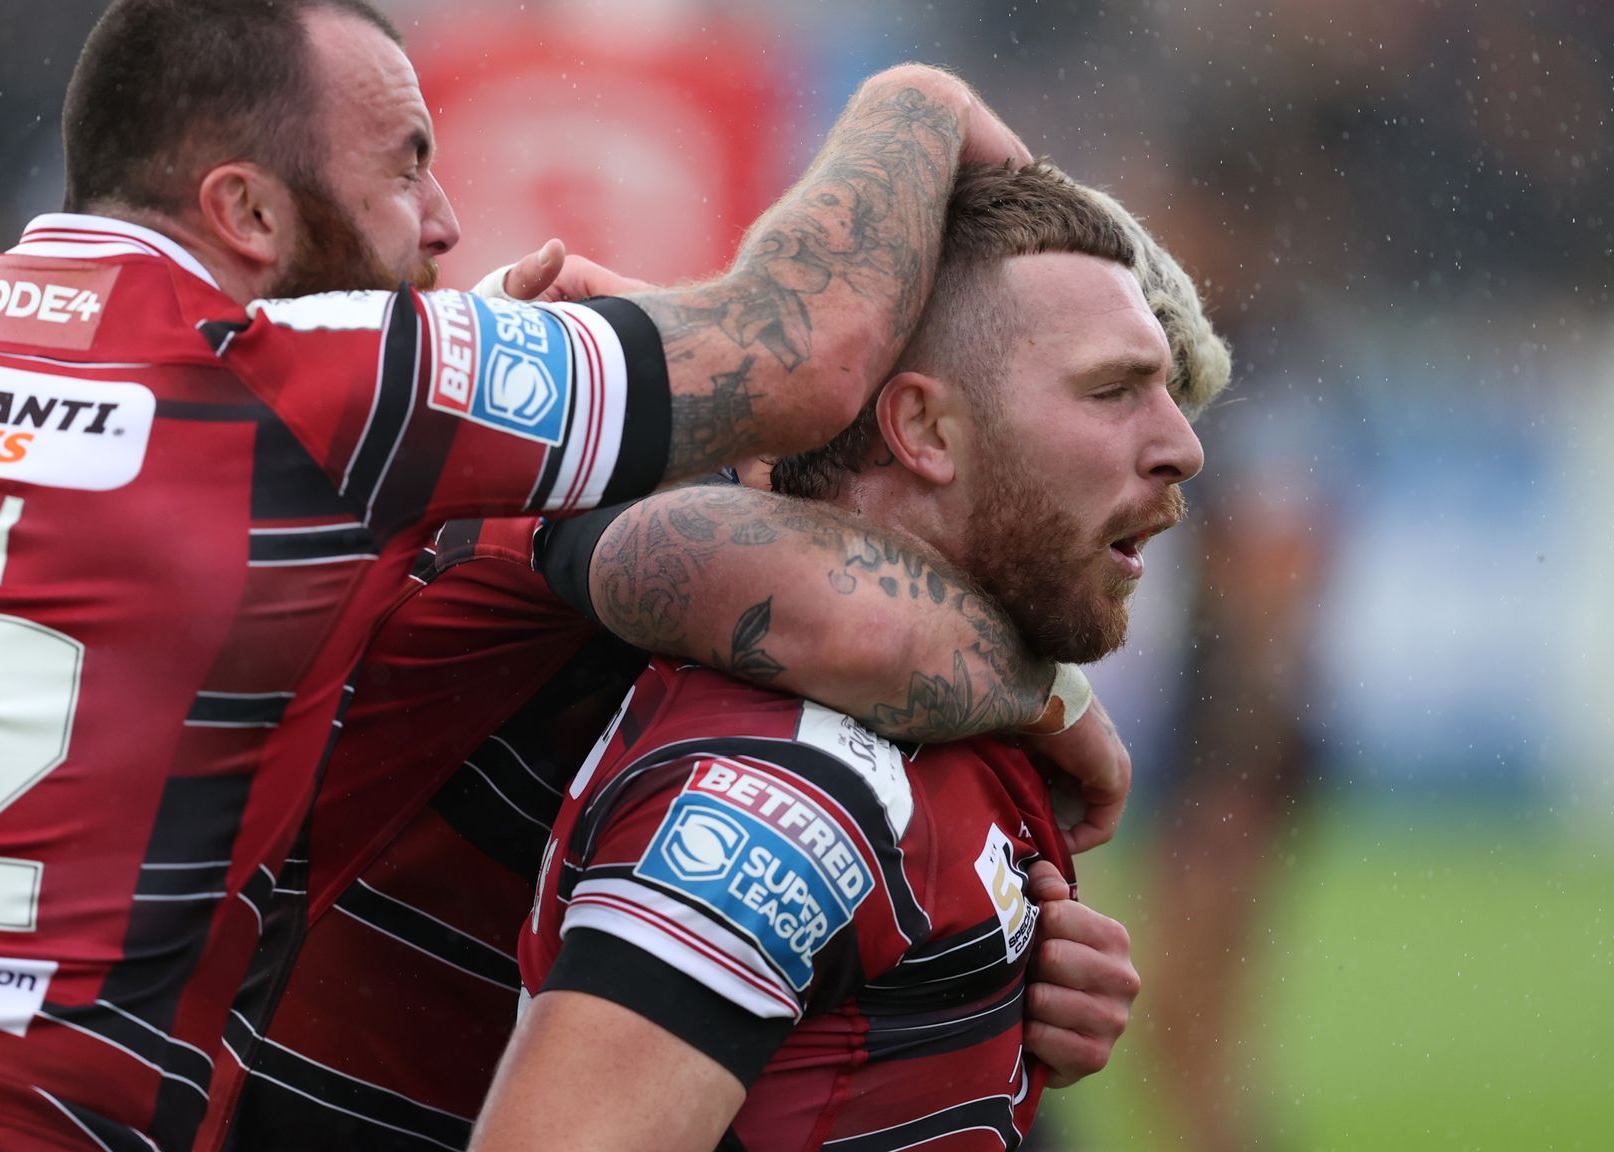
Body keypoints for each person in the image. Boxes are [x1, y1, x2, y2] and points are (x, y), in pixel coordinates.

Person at [0, 1, 1010, 1149]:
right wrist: (924, 108)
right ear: (248, 215)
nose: (448, 225)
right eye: (405, 169)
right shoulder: (299, 382)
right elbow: (801, 354)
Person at [229, 171, 1234, 1147]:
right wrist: (1058, 709)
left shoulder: (929, 703)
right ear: (924, 422)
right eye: (1111, 391)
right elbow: (852, 628)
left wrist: (998, 989)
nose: (1177, 448)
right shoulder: (778, 751)